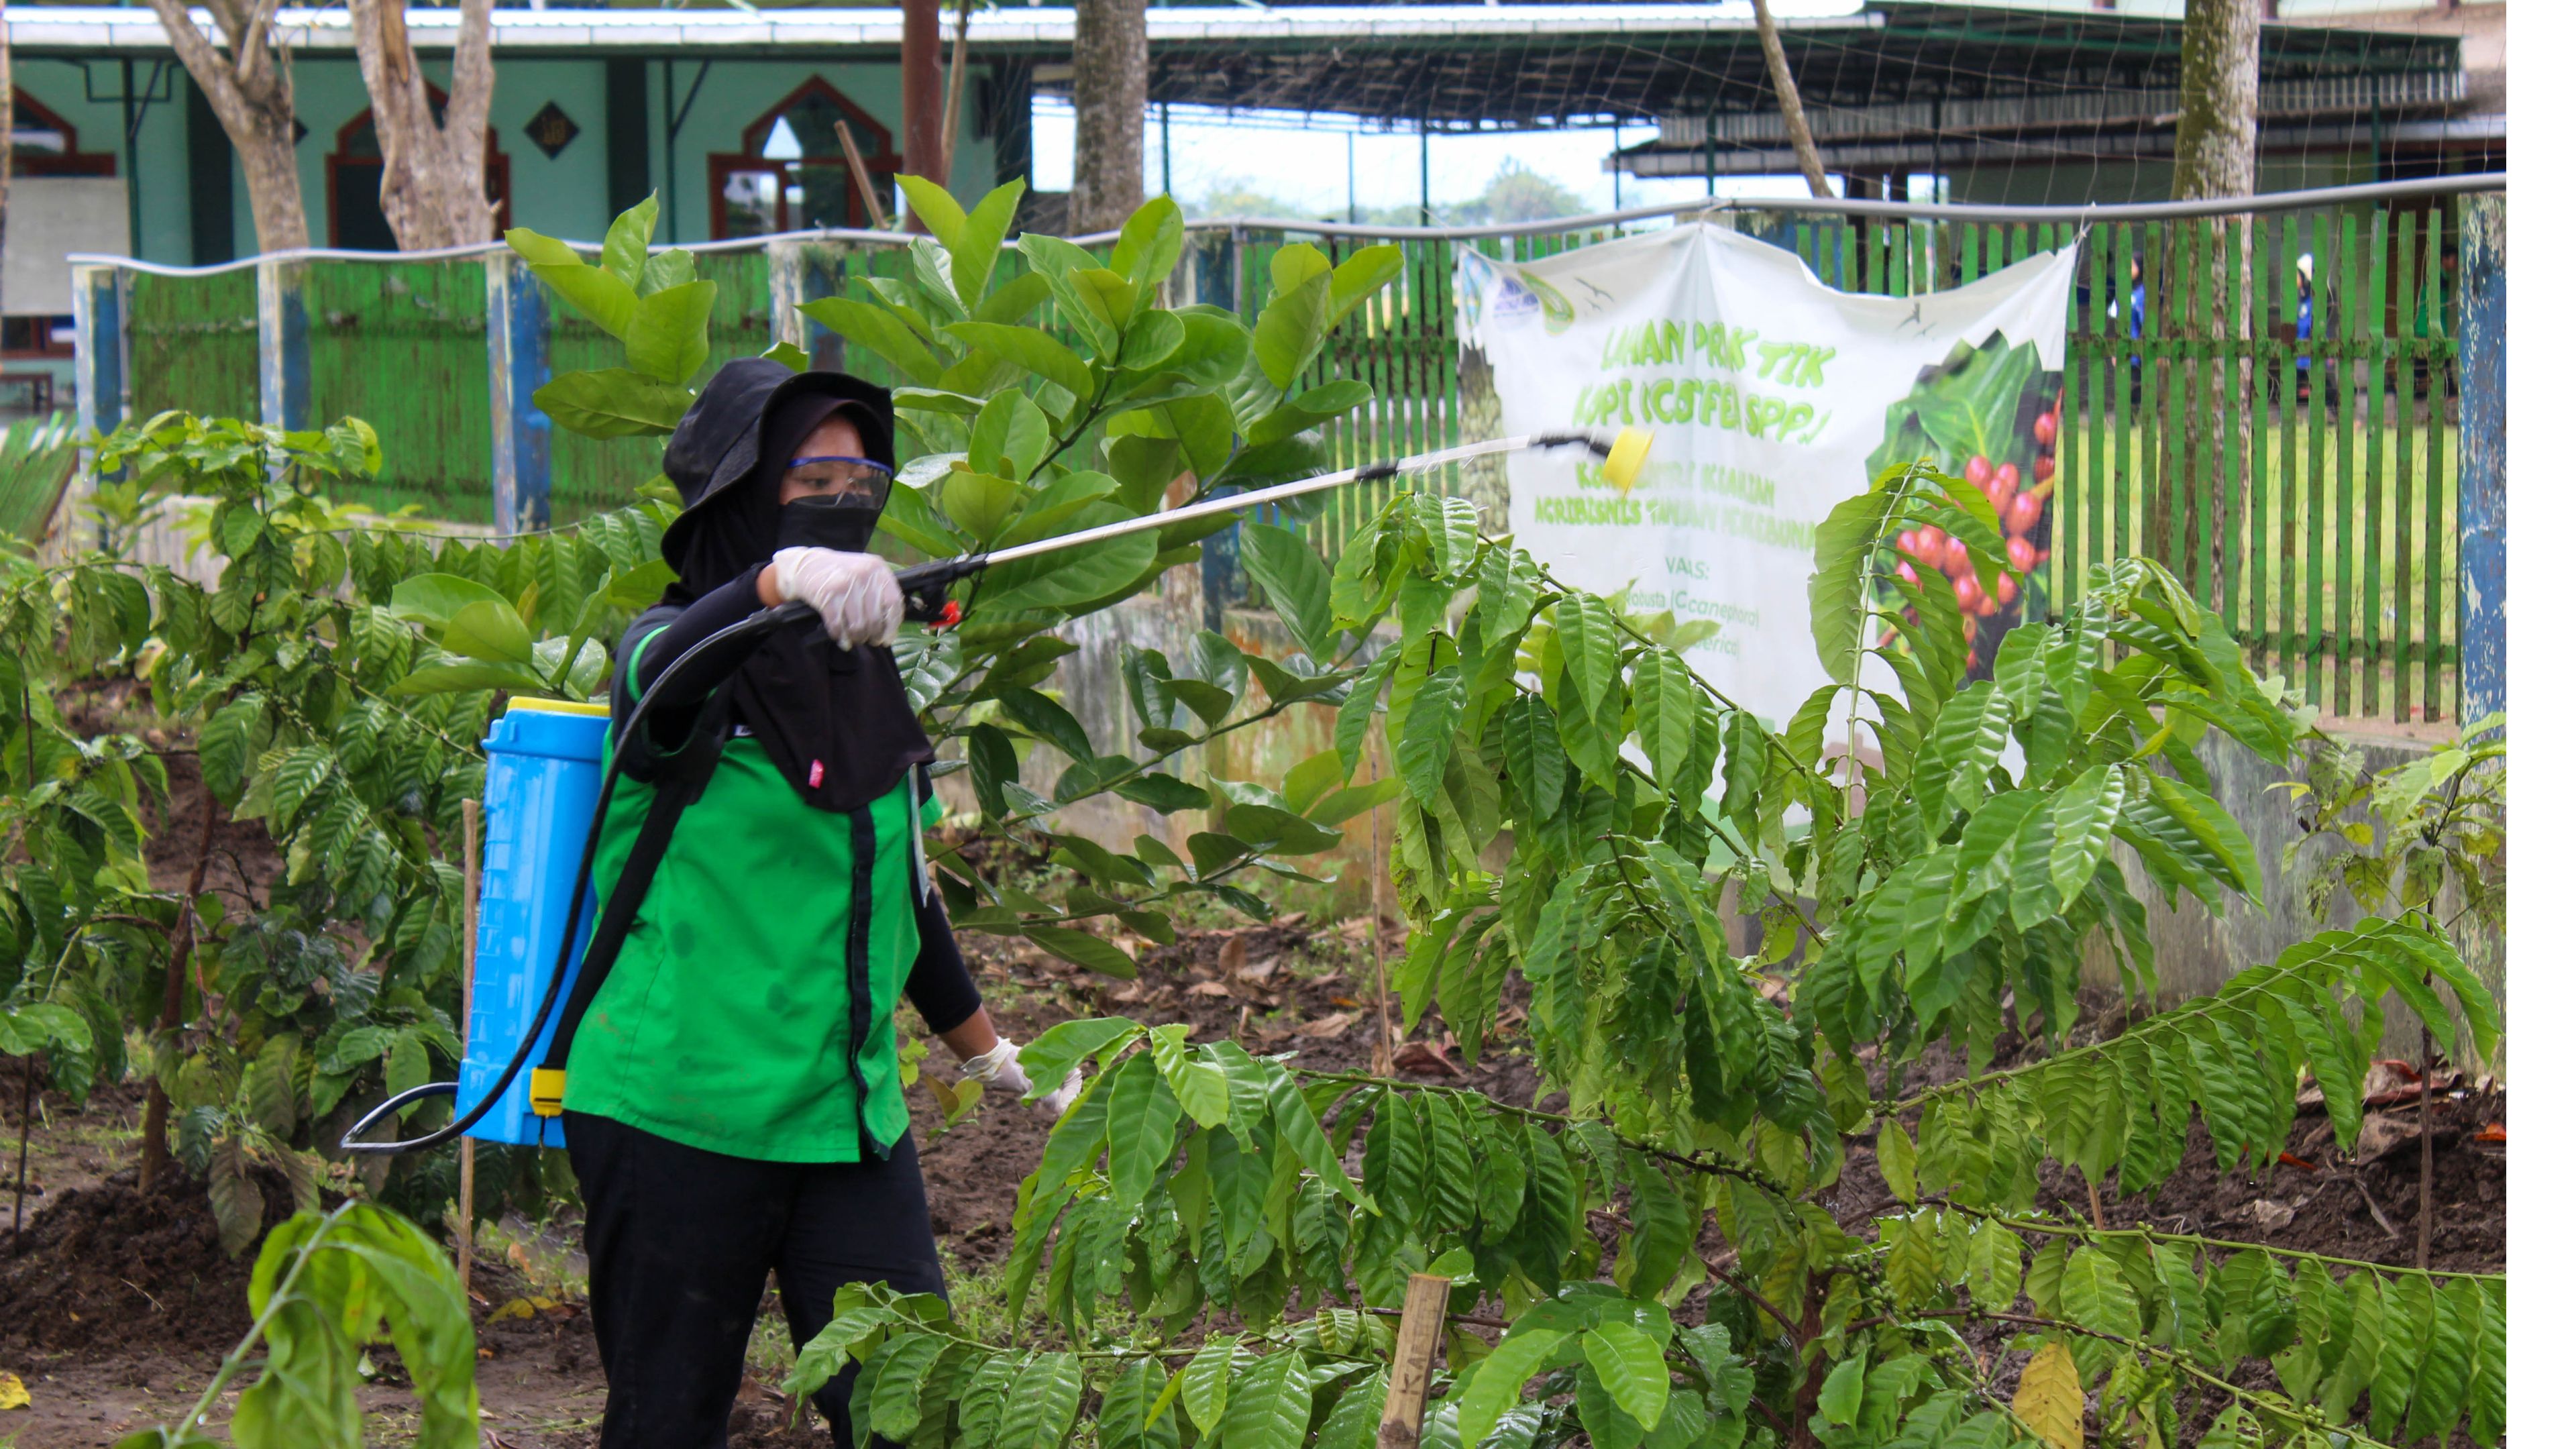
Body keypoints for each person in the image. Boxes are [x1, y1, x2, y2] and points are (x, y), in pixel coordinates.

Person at [555, 358, 1079, 1449]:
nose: (847, 495)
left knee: (913, 1415)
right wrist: (770, 586)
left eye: (861, 470)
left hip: (846, 1125)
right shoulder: (666, 656)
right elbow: (665, 669)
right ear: (742, 492)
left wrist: (992, 1053)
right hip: (679, 1114)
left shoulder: (863, 684)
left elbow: (907, 896)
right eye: (812, 475)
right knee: (667, 1423)